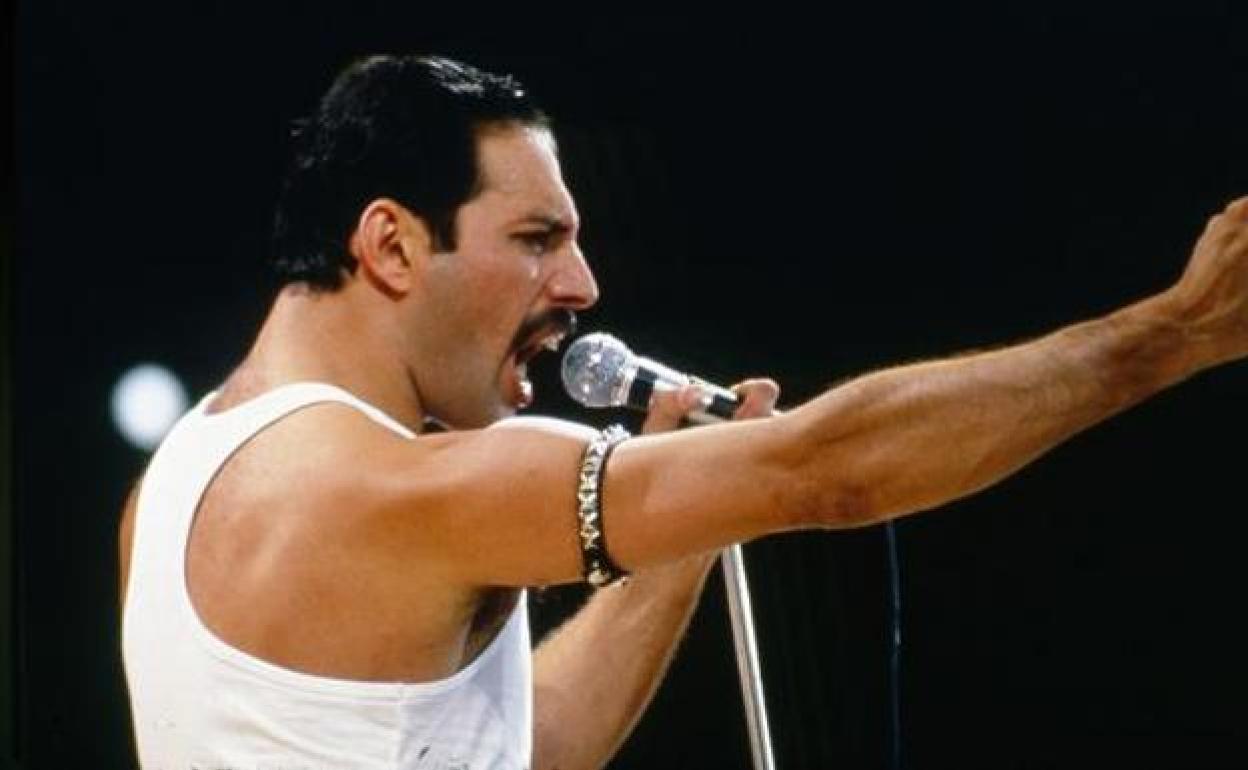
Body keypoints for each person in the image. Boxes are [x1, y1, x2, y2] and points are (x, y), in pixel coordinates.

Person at [118, 54, 1248, 770]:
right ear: (392, 244)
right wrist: (1181, 329)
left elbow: (524, 749)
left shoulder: (173, 488)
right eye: (537, 239)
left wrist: (683, 526)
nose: (581, 285)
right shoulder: (393, 488)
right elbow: (828, 468)